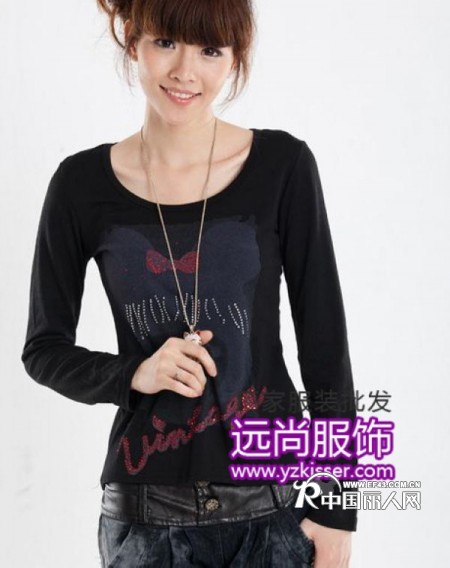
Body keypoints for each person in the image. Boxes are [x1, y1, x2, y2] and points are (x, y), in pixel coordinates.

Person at [21, 0, 358, 566]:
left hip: (272, 512)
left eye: (210, 50)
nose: (185, 71)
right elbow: (43, 350)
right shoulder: (80, 186)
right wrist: (136, 373)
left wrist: (336, 508)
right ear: (133, 41)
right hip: (144, 521)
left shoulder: (283, 167)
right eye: (166, 42)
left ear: (234, 59)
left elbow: (325, 346)